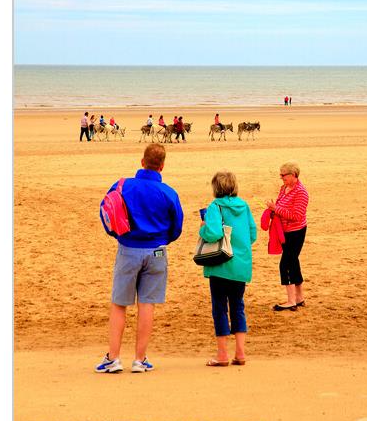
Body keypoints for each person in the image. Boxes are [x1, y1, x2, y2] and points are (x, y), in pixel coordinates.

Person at [96, 143, 184, 374]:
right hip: (156, 251)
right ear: (162, 166)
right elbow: (176, 228)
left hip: (128, 248)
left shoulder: (123, 185)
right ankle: (139, 359)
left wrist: (117, 234)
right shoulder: (168, 193)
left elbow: (106, 212)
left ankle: (113, 358)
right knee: (147, 304)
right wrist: (160, 240)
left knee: (119, 304)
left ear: (142, 162)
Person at [199, 170, 257, 366]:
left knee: (220, 308)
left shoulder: (215, 206)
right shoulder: (244, 205)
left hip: (221, 264)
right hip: (241, 265)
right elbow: (253, 235)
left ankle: (222, 355)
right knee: (238, 306)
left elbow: (213, 233)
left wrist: (203, 227)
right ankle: (240, 353)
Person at [266, 161, 309, 311]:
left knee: (286, 264)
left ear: (294, 175)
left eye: (284, 174)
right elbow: (281, 207)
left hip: (296, 232)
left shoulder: (301, 193)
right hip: (284, 232)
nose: (281, 177)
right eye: (281, 174)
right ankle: (299, 297)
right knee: (293, 262)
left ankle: (291, 301)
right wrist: (274, 210)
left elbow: (296, 216)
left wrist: (275, 209)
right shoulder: (284, 188)